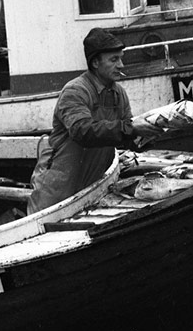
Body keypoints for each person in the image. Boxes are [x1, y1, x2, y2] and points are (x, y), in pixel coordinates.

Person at [27, 28, 155, 214]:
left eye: (121, 58)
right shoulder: (75, 91)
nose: (121, 65)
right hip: (57, 187)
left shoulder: (119, 94)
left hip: (91, 185)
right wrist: (132, 128)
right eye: (113, 60)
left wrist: (149, 133)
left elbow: (126, 134)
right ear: (95, 62)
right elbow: (82, 131)